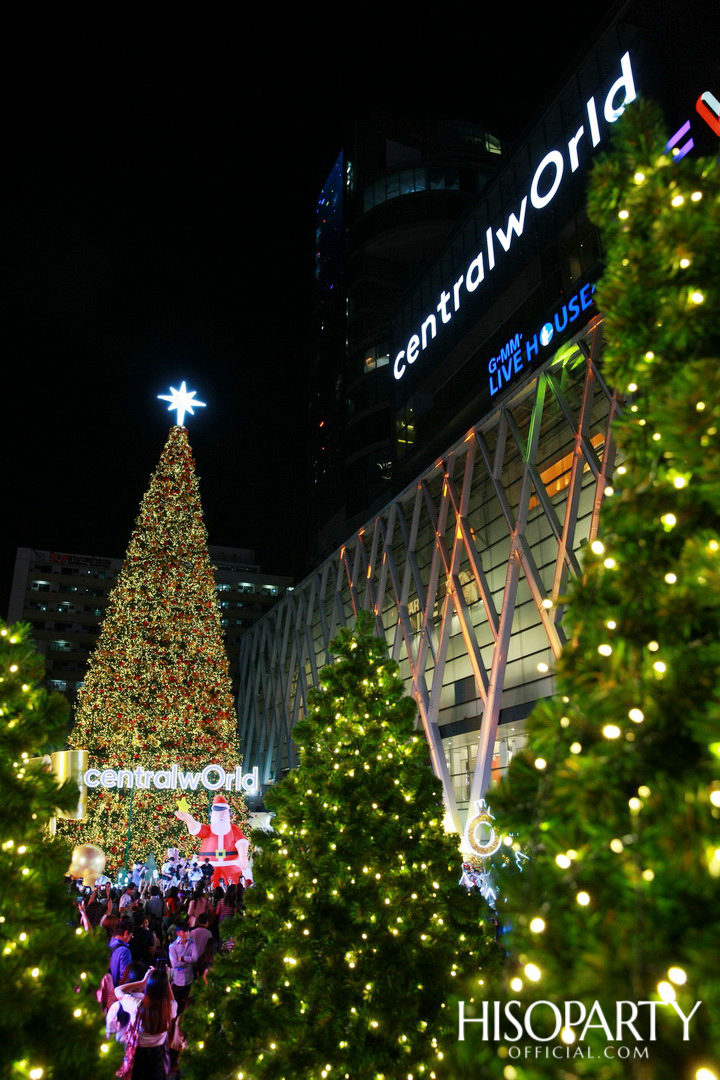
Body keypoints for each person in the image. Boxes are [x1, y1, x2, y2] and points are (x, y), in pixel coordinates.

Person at [115, 964, 178, 1079]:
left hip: (139, 1054)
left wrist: (143, 981)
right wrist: (165, 980)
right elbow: (173, 999)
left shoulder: (137, 1006)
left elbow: (118, 990)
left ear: (148, 988)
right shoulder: (170, 1009)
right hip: (158, 1054)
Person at [106, 962, 147, 1042]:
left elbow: (109, 1036)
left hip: (119, 1052)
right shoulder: (151, 1005)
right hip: (143, 1052)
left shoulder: (117, 1006)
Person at [168, 920, 198, 1012]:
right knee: (177, 1006)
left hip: (190, 979)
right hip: (178, 980)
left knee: (189, 1004)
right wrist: (189, 959)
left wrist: (182, 958)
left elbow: (195, 958)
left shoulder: (192, 943)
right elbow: (174, 964)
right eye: (183, 931)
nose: (186, 933)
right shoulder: (172, 946)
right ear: (178, 933)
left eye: (187, 931)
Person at [108, 918, 134, 986]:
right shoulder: (124, 951)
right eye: (131, 936)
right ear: (126, 933)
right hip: (116, 992)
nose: (130, 938)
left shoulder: (108, 944)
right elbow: (124, 978)